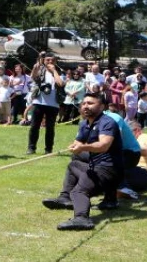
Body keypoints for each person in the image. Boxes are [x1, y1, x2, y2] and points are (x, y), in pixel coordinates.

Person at [42, 93, 123, 231]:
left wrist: (83, 147)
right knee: (73, 165)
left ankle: (82, 218)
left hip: (110, 170)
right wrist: (74, 146)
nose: (86, 106)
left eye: (90, 103)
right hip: (97, 167)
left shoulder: (107, 122)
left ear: (102, 106)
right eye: (84, 103)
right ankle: (65, 198)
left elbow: (104, 145)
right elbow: (78, 142)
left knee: (79, 192)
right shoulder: (85, 123)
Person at [26, 52, 64, 155]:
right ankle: (31, 148)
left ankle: (48, 149)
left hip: (53, 104)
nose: (50, 62)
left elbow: (60, 83)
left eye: (52, 60)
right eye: (47, 60)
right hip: (39, 102)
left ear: (55, 61)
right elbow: (33, 78)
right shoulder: (40, 70)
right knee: (34, 126)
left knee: (50, 128)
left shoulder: (59, 72)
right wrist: (35, 68)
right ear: (44, 60)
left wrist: (53, 71)